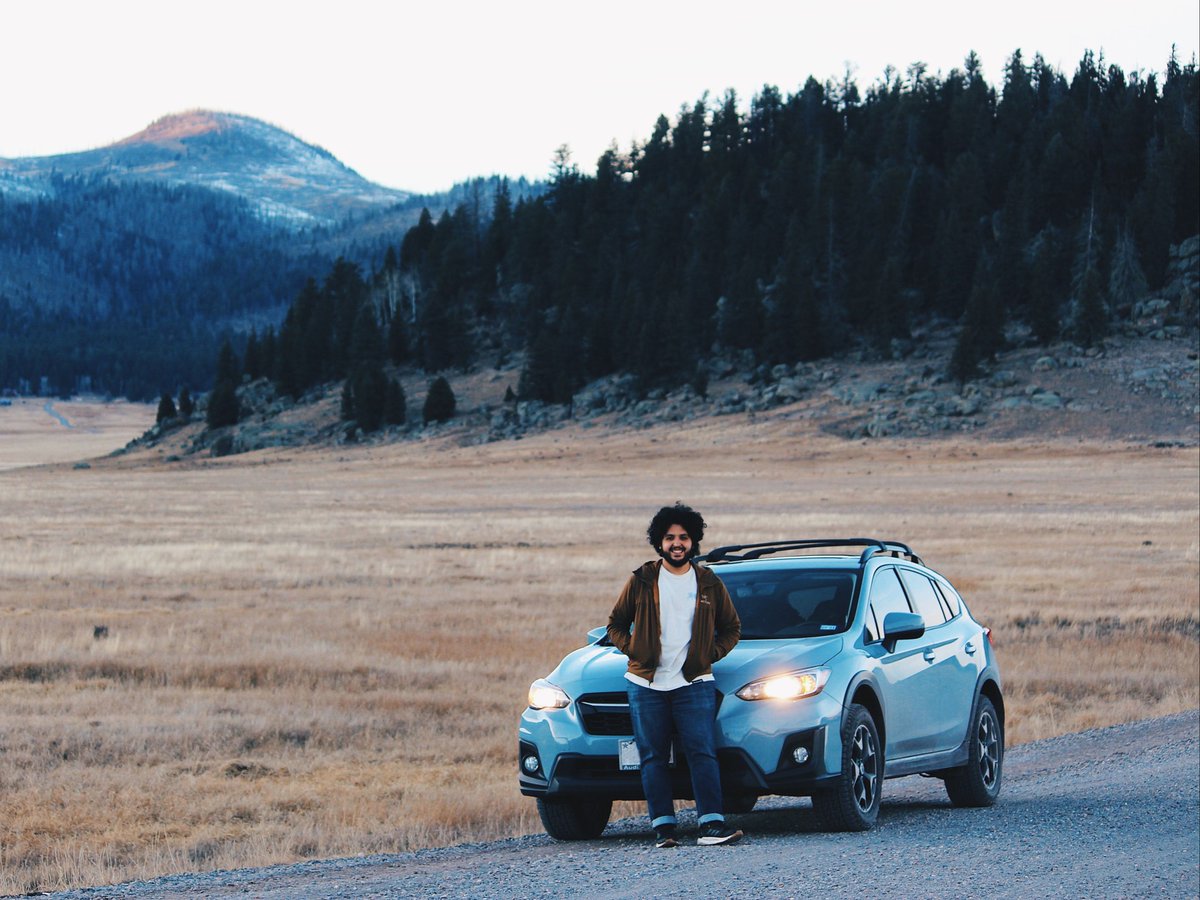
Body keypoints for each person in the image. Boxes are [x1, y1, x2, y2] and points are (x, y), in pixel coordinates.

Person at [606, 502, 743, 848]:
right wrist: (634, 650)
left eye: (683, 537)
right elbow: (615, 624)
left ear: (693, 541)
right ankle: (663, 829)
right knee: (652, 756)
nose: (677, 543)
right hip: (645, 684)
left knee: (702, 752)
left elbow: (732, 628)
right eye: (669, 537)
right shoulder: (642, 579)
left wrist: (708, 655)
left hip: (693, 683)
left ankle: (711, 825)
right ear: (659, 541)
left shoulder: (708, 582)